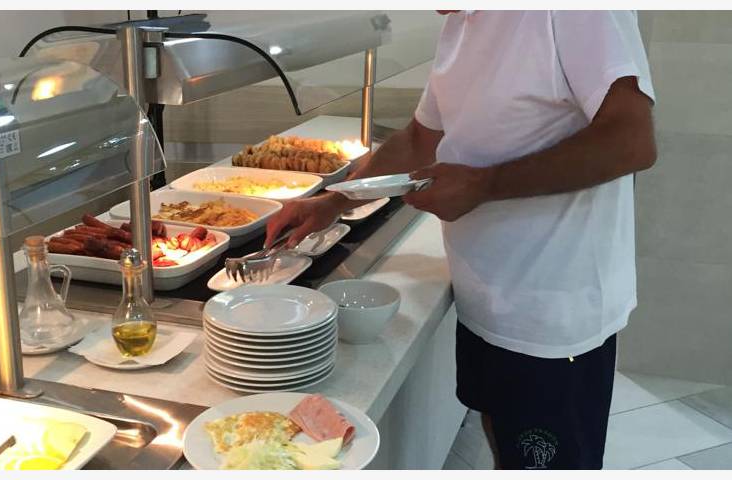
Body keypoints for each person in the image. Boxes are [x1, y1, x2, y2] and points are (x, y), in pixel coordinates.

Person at [265, 10, 656, 469]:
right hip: (485, 298)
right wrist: (334, 201)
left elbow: (631, 141)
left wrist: (483, 185)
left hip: (552, 313)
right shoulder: (460, 23)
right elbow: (419, 137)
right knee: (504, 441)